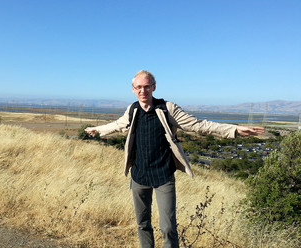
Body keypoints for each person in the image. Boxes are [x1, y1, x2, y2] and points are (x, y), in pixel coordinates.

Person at [85, 70, 264, 248]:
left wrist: (233, 130)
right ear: (133, 89)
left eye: (147, 86)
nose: (143, 91)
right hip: (139, 175)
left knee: (168, 226)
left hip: (163, 175)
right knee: (142, 223)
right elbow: (118, 125)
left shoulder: (167, 108)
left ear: (153, 87)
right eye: (138, 87)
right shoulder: (132, 110)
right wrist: (98, 129)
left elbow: (198, 125)